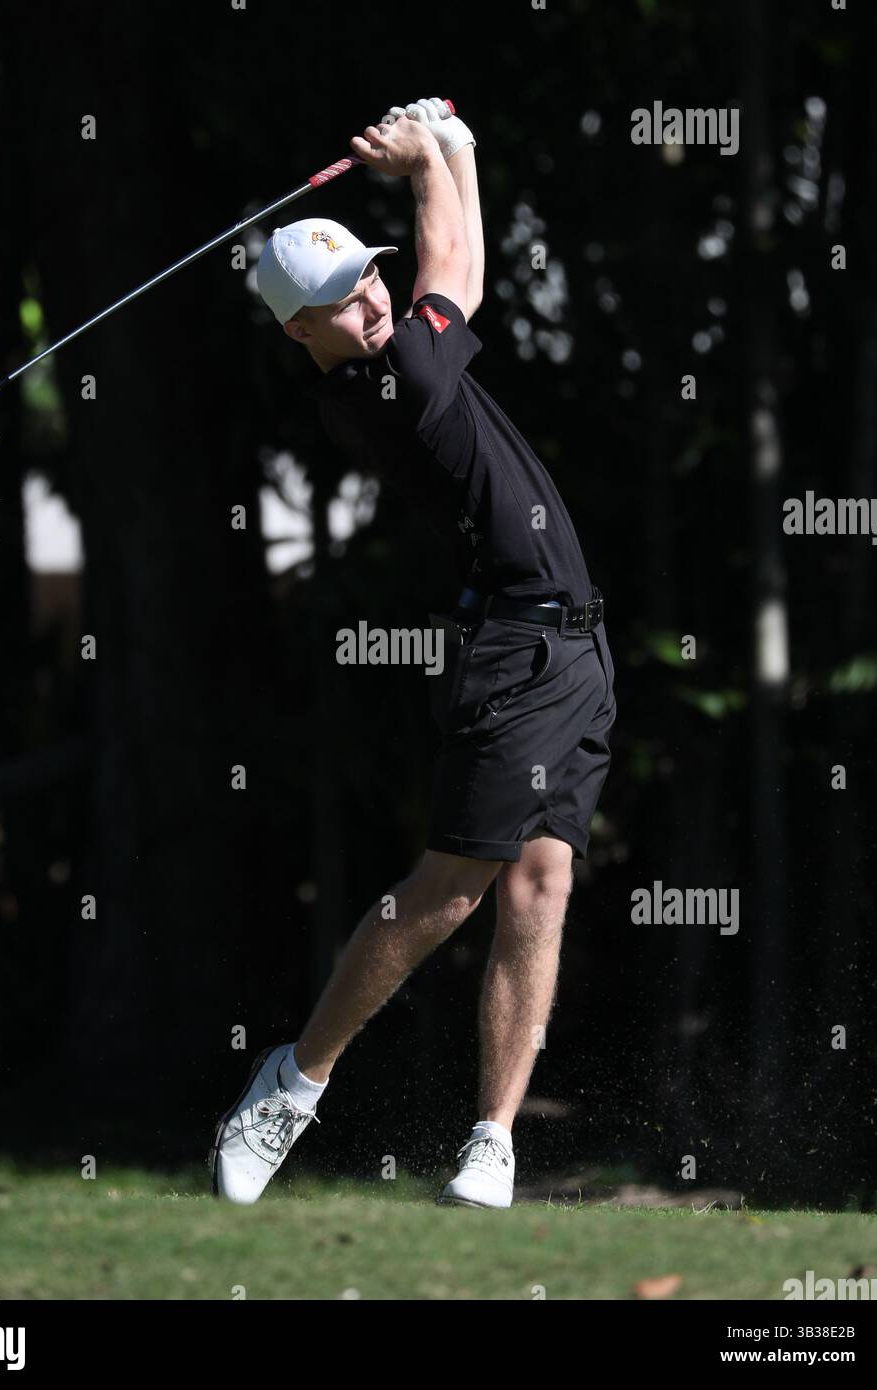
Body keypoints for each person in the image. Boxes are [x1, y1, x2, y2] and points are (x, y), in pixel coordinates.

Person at [209, 98, 616, 1209]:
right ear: (304, 332)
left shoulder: (409, 340)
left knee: (541, 882)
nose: (371, 300)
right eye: (343, 300)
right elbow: (443, 254)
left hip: (575, 647)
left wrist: (460, 148)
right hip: (513, 648)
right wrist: (417, 156)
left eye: (371, 280)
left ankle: (491, 1141)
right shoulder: (387, 386)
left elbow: (458, 279)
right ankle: (291, 1082)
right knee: (447, 892)